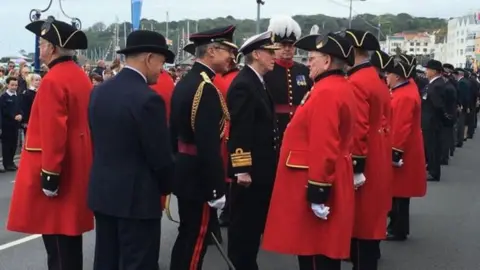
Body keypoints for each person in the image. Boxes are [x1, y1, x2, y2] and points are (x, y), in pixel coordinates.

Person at [262, 32, 357, 270]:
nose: (308, 63)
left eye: (312, 58)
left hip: (314, 179)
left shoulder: (326, 91)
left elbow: (324, 143)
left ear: (326, 61)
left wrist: (318, 190)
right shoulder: (331, 87)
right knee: (316, 251)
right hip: (319, 175)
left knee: (315, 251)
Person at [7, 17, 93, 270]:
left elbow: (54, 131)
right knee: (68, 239)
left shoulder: (54, 80)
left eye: (43, 43)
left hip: (58, 167)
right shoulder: (77, 75)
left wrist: (50, 174)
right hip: (77, 161)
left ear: (53, 48)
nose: (40, 48)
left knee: (57, 242)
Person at [88, 30, 175, 270]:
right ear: (149, 58)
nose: (162, 68)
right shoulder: (148, 99)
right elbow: (159, 155)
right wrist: (169, 185)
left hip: (103, 194)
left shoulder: (99, 92)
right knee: (139, 263)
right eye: (161, 61)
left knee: (106, 261)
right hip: (137, 199)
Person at [169, 25, 237, 270]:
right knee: (196, 238)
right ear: (211, 51)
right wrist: (216, 187)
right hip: (199, 175)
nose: (232, 56)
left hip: (186, 169)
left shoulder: (187, 82)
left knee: (187, 234)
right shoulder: (205, 88)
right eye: (227, 50)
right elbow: (208, 145)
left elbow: (173, 133)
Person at [226, 31, 281, 270]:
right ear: (256, 54)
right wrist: (242, 169)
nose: (275, 56)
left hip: (262, 166)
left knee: (253, 222)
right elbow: (240, 130)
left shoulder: (257, 81)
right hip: (250, 171)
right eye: (270, 52)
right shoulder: (244, 84)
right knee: (245, 225)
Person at [344, 29, 393, 270]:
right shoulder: (375, 77)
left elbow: (358, 126)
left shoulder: (356, 81)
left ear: (352, 52)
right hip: (379, 150)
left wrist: (357, 165)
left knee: (362, 219)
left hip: (366, 155)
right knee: (372, 217)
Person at [385, 57, 427, 241]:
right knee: (398, 192)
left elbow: (401, 126)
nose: (387, 77)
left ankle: (398, 229)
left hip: (403, 149)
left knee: (399, 192)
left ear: (397, 76)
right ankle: (398, 226)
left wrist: (395, 151)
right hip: (406, 147)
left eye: (390, 74)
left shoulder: (404, 96)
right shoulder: (406, 89)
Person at [264, 15, 311, 142]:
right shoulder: (267, 70)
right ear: (274, 45)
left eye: (291, 45)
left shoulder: (304, 70)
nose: (287, 49)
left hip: (299, 126)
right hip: (274, 127)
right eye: (283, 45)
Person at [422, 59, 446, 182]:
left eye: (428, 69)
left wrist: (439, 119)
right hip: (429, 120)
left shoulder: (437, 85)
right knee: (429, 146)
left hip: (432, 121)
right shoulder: (432, 83)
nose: (426, 71)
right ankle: (431, 168)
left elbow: (438, 105)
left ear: (434, 71)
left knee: (433, 147)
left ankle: (434, 172)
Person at [0, 76, 22, 171]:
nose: (14, 87)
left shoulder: (18, 97)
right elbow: (4, 111)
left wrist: (21, 115)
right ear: (7, 85)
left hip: (15, 125)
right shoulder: (4, 97)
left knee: (14, 144)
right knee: (7, 145)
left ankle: (11, 162)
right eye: (12, 85)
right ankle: (6, 163)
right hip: (6, 125)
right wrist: (14, 116)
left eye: (16, 85)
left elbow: (21, 108)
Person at [440, 63, 458, 164]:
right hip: (450, 114)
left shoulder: (448, 87)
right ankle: (446, 154)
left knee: (445, 137)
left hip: (448, 115)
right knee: (447, 136)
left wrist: (446, 114)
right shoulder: (451, 84)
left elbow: (447, 103)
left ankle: (444, 157)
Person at [453, 68, 471, 147]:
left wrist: (461, 105)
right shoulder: (466, 81)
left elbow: (463, 96)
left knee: (460, 124)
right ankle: (459, 140)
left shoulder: (462, 83)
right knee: (461, 123)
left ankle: (459, 141)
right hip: (464, 105)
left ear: (459, 74)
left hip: (462, 106)